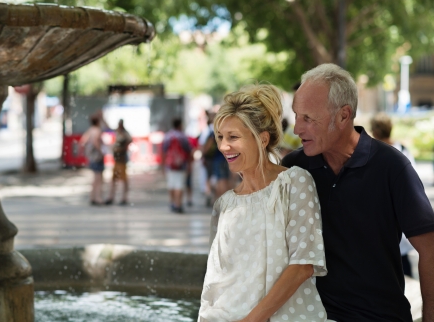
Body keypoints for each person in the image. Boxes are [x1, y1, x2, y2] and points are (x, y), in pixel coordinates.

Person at [282, 63, 434, 321]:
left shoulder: (392, 167)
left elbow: (430, 249)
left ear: (344, 115)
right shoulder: (293, 168)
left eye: (308, 118)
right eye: (297, 116)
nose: (297, 129)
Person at [199, 84, 327, 321]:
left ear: (262, 139)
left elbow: (303, 265)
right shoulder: (225, 205)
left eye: (233, 137)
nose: (223, 146)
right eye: (220, 137)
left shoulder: (294, 183)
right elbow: (216, 280)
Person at [370, 112, 417, 277]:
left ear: (375, 131)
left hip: (384, 227)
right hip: (403, 225)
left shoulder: (374, 155)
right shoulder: (403, 149)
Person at [162, 118, 192, 213]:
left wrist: (163, 164)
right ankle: (178, 204)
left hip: (170, 164)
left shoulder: (168, 136)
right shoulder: (183, 137)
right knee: (179, 185)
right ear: (179, 125)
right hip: (181, 164)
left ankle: (172, 203)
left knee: (171, 184)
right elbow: (188, 150)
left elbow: (163, 150)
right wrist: (189, 164)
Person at [105, 119, 132, 206]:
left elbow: (129, 141)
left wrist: (123, 148)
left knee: (123, 179)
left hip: (121, 159)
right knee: (115, 179)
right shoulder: (118, 132)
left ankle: (123, 197)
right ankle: (112, 196)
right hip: (117, 159)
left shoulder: (125, 134)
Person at [80, 113, 106, 206]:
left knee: (95, 178)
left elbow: (83, 141)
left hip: (92, 157)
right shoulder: (97, 130)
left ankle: (92, 197)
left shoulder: (90, 130)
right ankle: (98, 198)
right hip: (97, 156)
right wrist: (100, 151)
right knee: (99, 178)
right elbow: (95, 141)